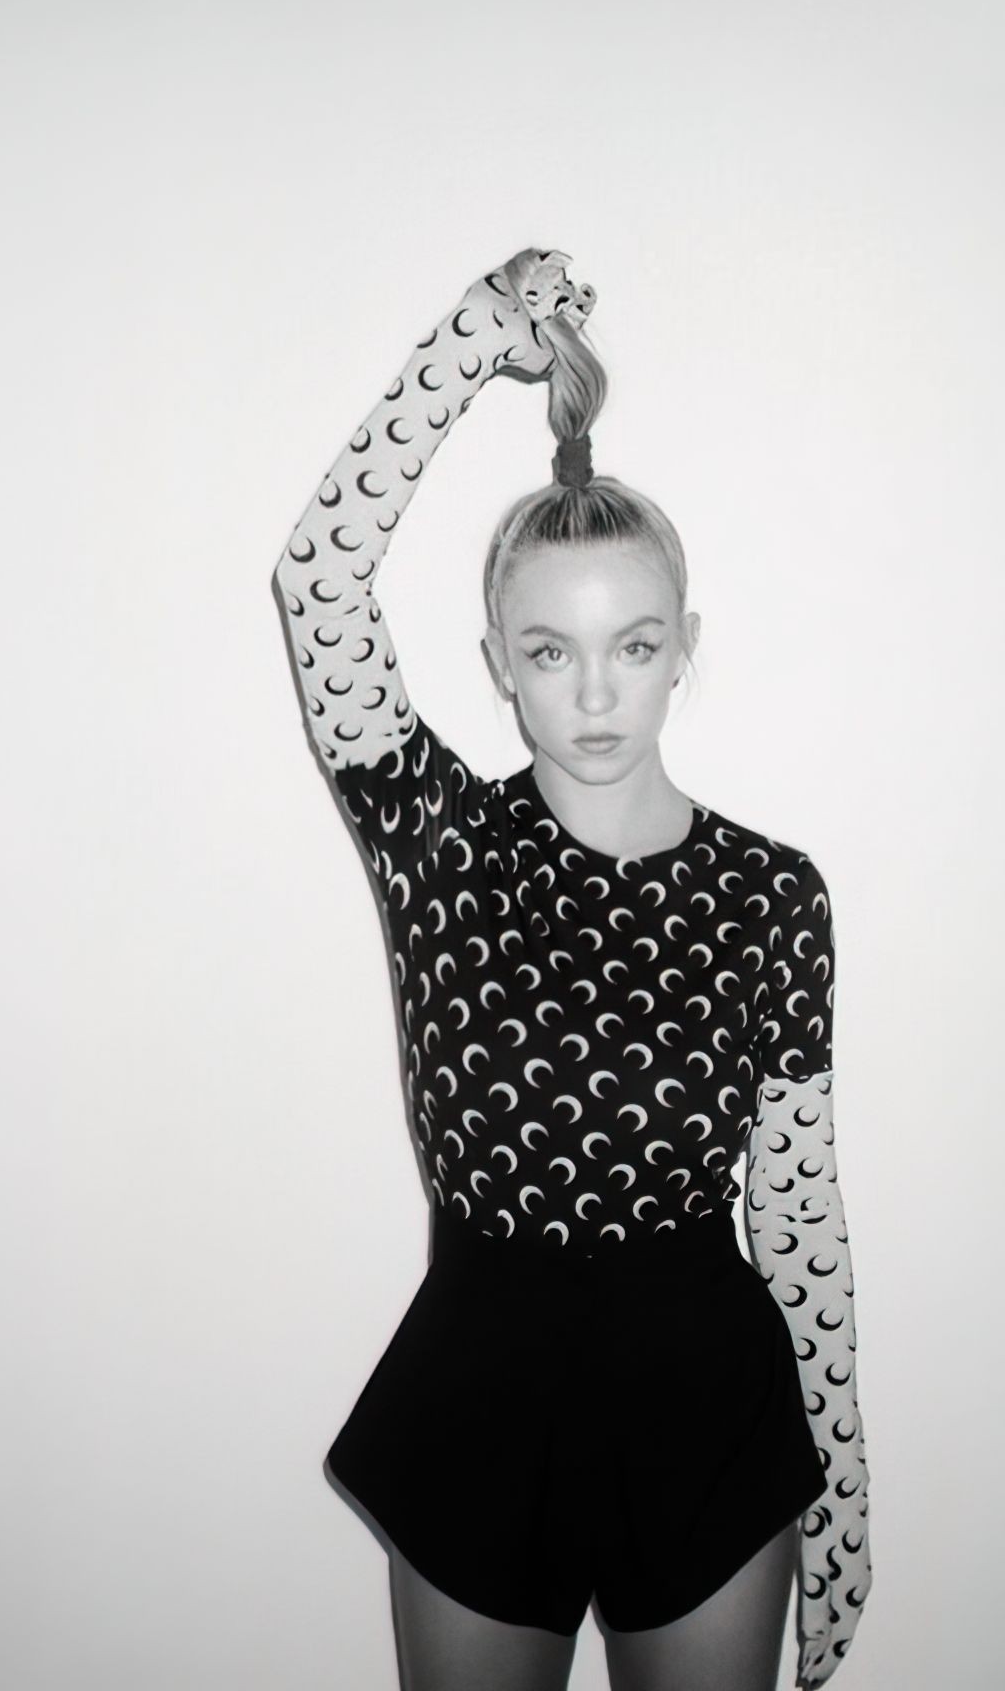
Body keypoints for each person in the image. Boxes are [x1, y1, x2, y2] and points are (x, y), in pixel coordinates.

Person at [273, 248, 871, 1691]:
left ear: (684, 651)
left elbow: (796, 1205)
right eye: (551, 651)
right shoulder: (441, 844)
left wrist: (844, 1491)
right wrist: (474, 339)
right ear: (498, 661)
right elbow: (317, 578)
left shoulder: (772, 895)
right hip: (482, 1391)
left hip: (711, 1405)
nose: (596, 692)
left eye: (634, 645)